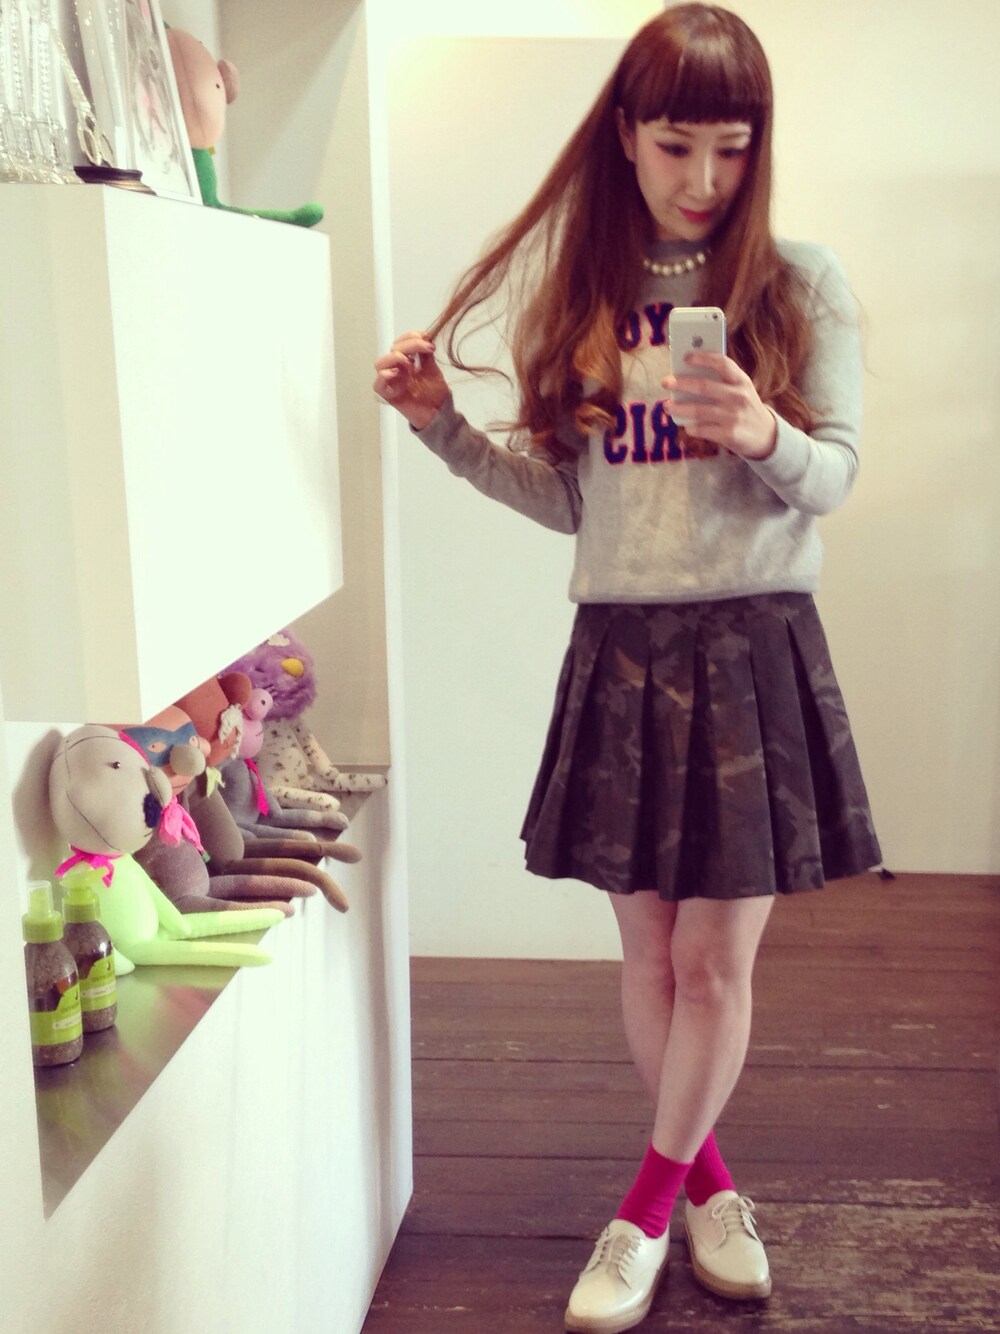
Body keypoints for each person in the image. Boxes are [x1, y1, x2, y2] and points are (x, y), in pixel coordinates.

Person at [374, 4, 881, 1330]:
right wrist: (442, 430)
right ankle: (709, 1185)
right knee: (651, 960)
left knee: (712, 964)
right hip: (621, 653)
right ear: (625, 136)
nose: (703, 178)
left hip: (752, 649)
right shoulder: (591, 296)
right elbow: (571, 503)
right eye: (675, 145)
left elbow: (834, 477)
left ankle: (645, 1209)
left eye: (731, 148)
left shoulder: (802, 283)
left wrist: (763, 431)